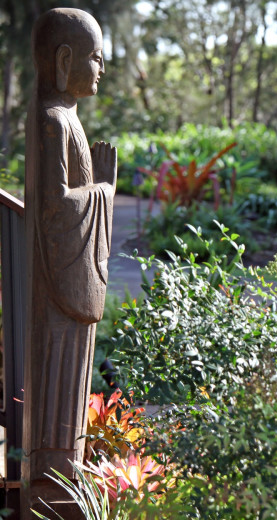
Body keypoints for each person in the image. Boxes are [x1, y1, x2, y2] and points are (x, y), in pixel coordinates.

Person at [22, 7, 116, 510]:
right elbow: (55, 208)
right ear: (64, 60)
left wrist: (97, 188)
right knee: (61, 373)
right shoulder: (53, 121)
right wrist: (104, 190)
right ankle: (53, 475)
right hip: (59, 284)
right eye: (95, 59)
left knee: (72, 372)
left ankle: (64, 463)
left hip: (67, 284)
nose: (101, 69)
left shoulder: (65, 117)